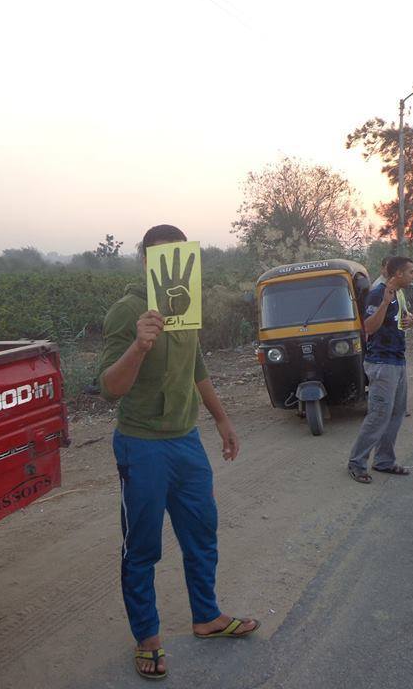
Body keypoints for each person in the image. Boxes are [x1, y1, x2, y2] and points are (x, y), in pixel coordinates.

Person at [97, 224, 259, 680]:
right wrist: (139, 345)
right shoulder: (126, 312)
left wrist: (222, 420)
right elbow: (109, 388)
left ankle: (206, 617)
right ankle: (147, 638)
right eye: (159, 256)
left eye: (177, 255)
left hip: (186, 441)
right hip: (141, 445)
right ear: (145, 261)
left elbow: (196, 366)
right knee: (142, 546)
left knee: (202, 532)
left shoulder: (186, 305)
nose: (169, 264)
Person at [347, 256, 413, 484]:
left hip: (397, 360)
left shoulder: (399, 293)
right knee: (379, 415)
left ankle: (384, 461)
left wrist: (410, 321)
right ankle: (356, 463)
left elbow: (397, 321)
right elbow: (368, 327)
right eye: (411, 271)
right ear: (398, 274)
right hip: (381, 363)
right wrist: (385, 304)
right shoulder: (378, 293)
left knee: (396, 413)